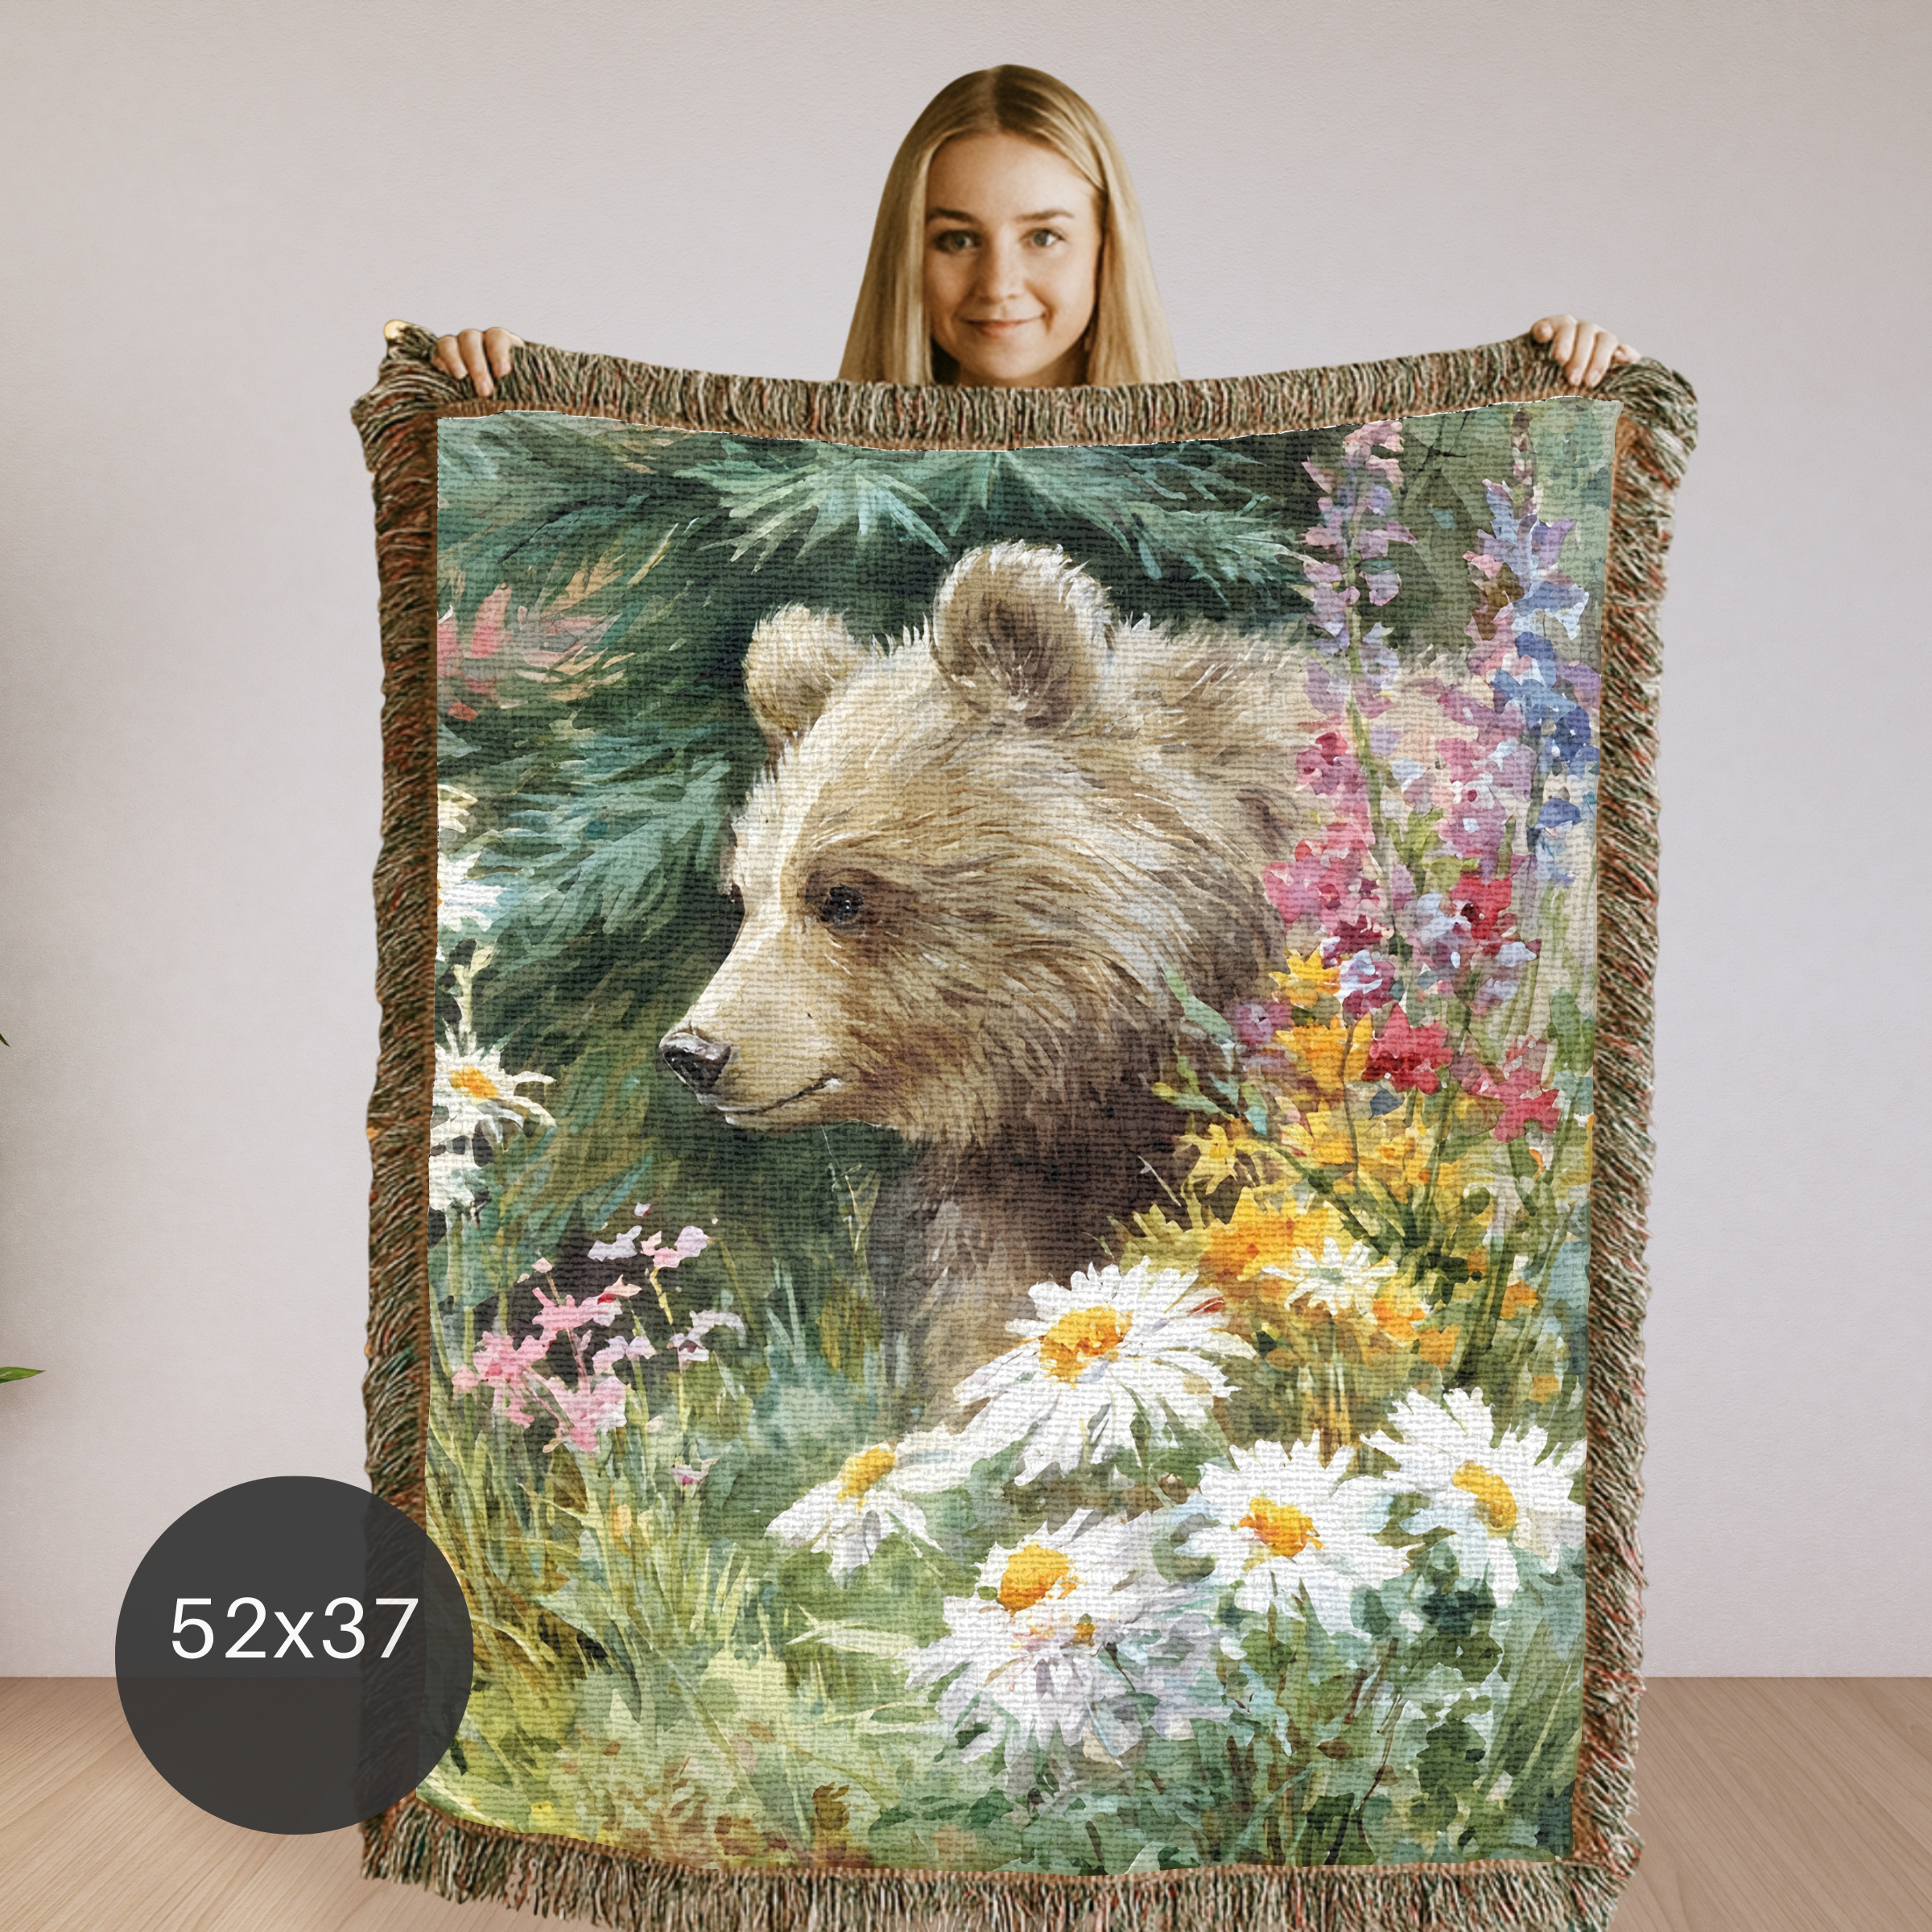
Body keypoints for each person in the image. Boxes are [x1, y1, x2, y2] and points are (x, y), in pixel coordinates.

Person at [435, 65, 1636, 398]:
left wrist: (1553, 385)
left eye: (1045, 235)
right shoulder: (815, 472)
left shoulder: (1219, 471)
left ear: (1110, 247)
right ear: (909, 255)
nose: (999, 280)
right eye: (956, 236)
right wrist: (502, 394)